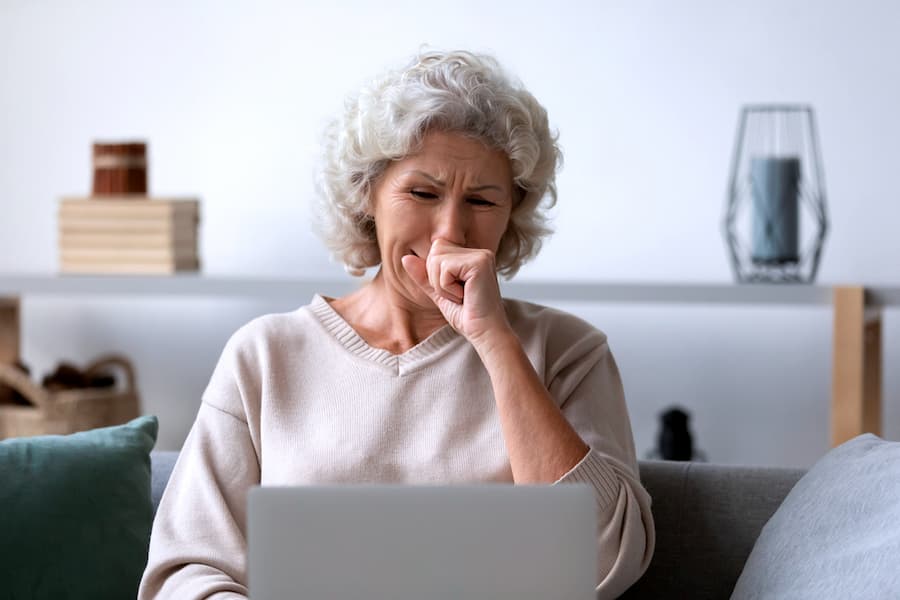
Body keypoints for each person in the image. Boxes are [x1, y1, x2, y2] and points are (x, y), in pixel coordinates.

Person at [138, 49, 655, 599]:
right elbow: (186, 570)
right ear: (368, 197)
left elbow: (602, 560)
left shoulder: (568, 352)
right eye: (423, 193)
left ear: (511, 218)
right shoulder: (264, 355)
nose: (449, 231)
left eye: (481, 200)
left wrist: (496, 342)